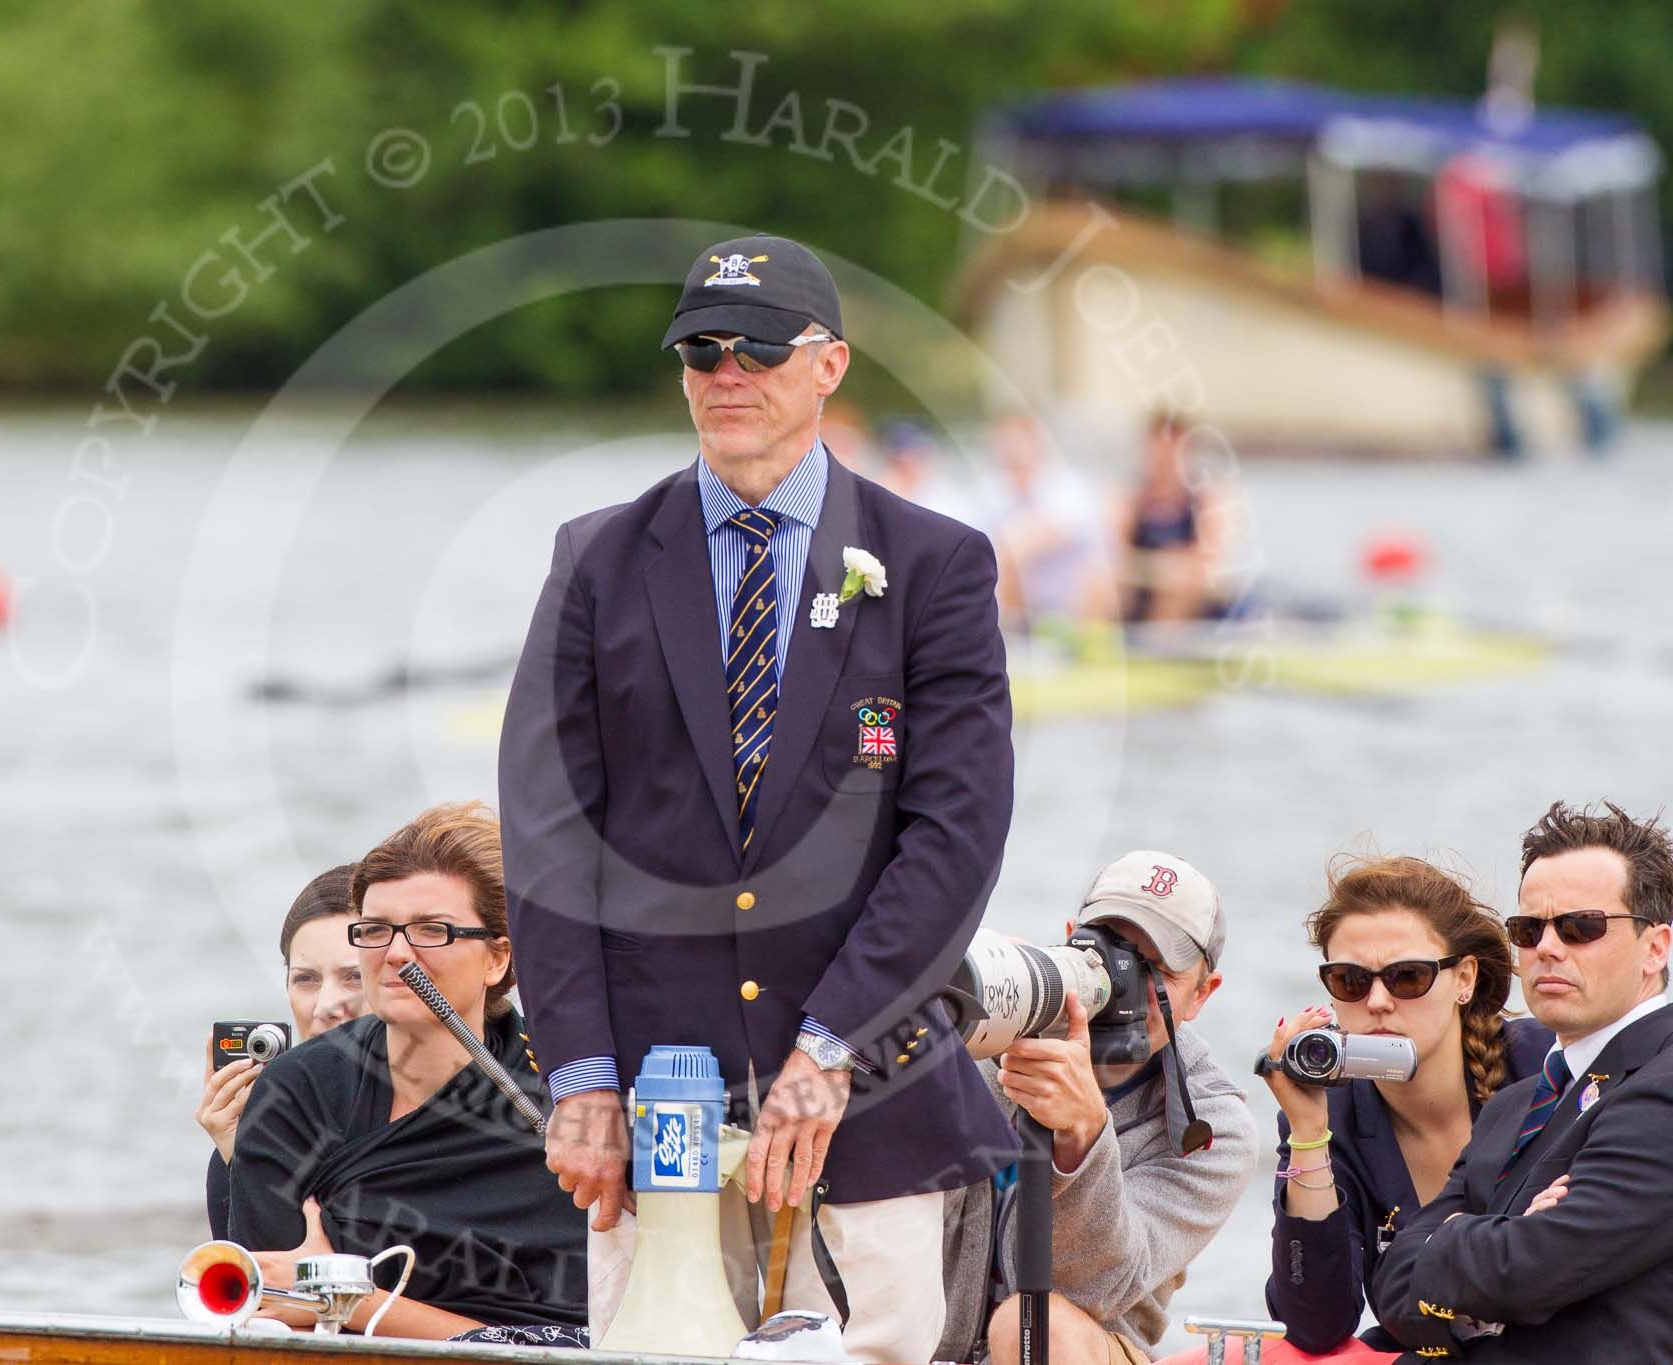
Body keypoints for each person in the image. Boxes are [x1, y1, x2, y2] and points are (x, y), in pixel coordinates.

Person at [500, 233, 1016, 1363]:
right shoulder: (593, 558)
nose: (725, 373)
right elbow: (546, 839)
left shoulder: (931, 563)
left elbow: (954, 835)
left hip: (869, 1091)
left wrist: (830, 1048)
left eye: (758, 350)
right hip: (649, 1096)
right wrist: (580, 1077)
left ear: (827, 365)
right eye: (700, 350)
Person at [228, 802, 586, 1340]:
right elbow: (268, 1313)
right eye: (375, 930)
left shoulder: (570, 1095)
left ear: (497, 959)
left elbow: (586, 1341)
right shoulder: (297, 1089)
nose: (396, 954)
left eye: (431, 930)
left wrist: (353, 1304)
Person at [1372, 801, 1673, 1360]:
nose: (1548, 948)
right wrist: (1502, 1252)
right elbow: (1392, 1281)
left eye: (1581, 927)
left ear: (1655, 947)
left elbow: (1535, 1266)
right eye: (1529, 929)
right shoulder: (1513, 1104)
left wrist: (1461, 1245)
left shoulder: (1664, 1085)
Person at [1260, 855, 1551, 1354]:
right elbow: (1315, 1325)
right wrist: (1309, 1133)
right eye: (1351, 980)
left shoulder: (1548, 1066)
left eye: (1408, 977)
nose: (1377, 1001)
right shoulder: (1334, 1114)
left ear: (1464, 979)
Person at [983, 852, 1256, 1365]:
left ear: (1202, 994)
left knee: (1038, 1323)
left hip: (1086, 1346)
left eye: (1156, 969)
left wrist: (1083, 1135)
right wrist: (978, 980)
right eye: (1106, 950)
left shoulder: (1213, 1127)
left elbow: (1093, 1285)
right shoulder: (997, 1030)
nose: (1122, 983)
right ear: (1069, 937)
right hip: (936, 1333)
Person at [196, 862, 365, 1239]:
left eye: (354, 977)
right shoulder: (261, 1140)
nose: (325, 1005)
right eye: (306, 979)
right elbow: (260, 1287)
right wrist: (246, 1156)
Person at [979, 412, 1116, 629]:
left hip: (1073, 609)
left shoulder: (1067, 488)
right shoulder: (994, 494)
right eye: (1003, 441)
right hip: (1030, 609)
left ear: (1035, 443)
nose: (1010, 450)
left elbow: (1023, 547)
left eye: (1016, 440)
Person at [1118, 412, 1232, 624]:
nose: (1164, 455)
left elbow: (1208, 562)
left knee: (1182, 587)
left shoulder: (1206, 497)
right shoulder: (1132, 497)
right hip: (1140, 585)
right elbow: (1114, 554)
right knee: (1098, 584)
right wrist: (1162, 568)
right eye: (1157, 446)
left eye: (1172, 446)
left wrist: (1170, 570)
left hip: (1187, 593)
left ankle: (1156, 649)